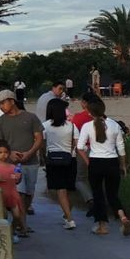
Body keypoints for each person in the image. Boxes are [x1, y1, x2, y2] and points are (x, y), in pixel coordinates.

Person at [76, 94, 130, 236]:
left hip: (96, 162)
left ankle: (102, 225)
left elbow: (80, 147)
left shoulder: (87, 126)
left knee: (98, 194)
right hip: (112, 162)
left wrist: (88, 161)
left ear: (90, 112)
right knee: (113, 195)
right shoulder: (114, 125)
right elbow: (121, 147)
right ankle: (123, 217)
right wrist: (123, 165)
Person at [0, 90, 45, 215]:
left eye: (2, 103)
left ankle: (22, 220)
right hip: (11, 164)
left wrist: (30, 153)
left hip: (31, 161)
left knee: (29, 192)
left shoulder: (30, 117)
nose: (0, 107)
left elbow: (39, 138)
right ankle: (21, 223)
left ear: (12, 101)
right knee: (18, 193)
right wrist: (9, 154)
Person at [41, 97, 77, 230]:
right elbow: (76, 144)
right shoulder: (71, 126)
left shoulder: (45, 126)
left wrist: (44, 157)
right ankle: (67, 214)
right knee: (70, 189)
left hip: (53, 160)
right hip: (70, 159)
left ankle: (69, 218)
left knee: (60, 191)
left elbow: (42, 144)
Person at [0, 142, 30, 241]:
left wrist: (18, 177)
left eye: (5, 152)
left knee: (17, 215)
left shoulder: (13, 167)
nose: (3, 154)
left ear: (9, 153)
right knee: (2, 215)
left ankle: (12, 231)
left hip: (12, 193)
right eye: (0, 152)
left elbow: (15, 180)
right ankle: (3, 234)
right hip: (0, 194)